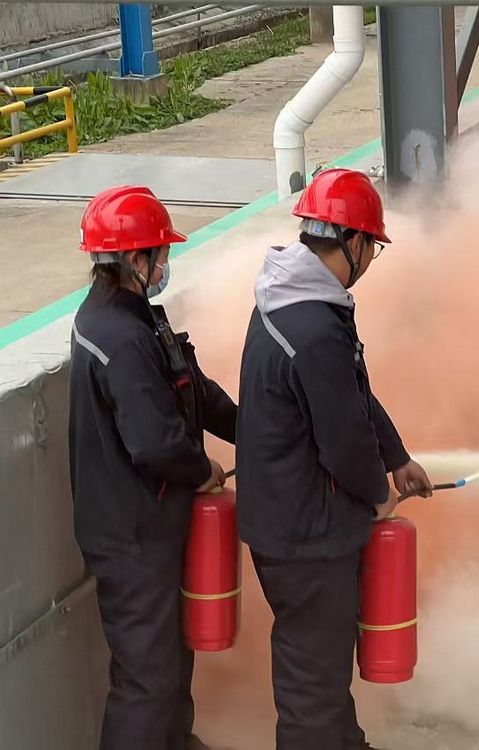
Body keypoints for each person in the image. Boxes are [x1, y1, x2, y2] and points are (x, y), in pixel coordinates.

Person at [236, 168, 432, 750]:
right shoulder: (314, 325)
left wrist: (395, 455)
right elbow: (343, 439)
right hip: (306, 536)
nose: (370, 259)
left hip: (289, 519)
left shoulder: (290, 300)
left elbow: (351, 391)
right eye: (371, 245)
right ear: (352, 241)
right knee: (311, 684)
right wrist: (377, 494)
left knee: (321, 662)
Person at [68, 185, 237, 750]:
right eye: (161, 255)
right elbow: (153, 443)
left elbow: (193, 390)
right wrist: (202, 468)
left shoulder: (132, 319)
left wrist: (256, 432)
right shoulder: (119, 338)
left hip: (148, 524)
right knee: (146, 679)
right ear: (135, 260)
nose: (165, 265)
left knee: (168, 663)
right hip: (131, 536)